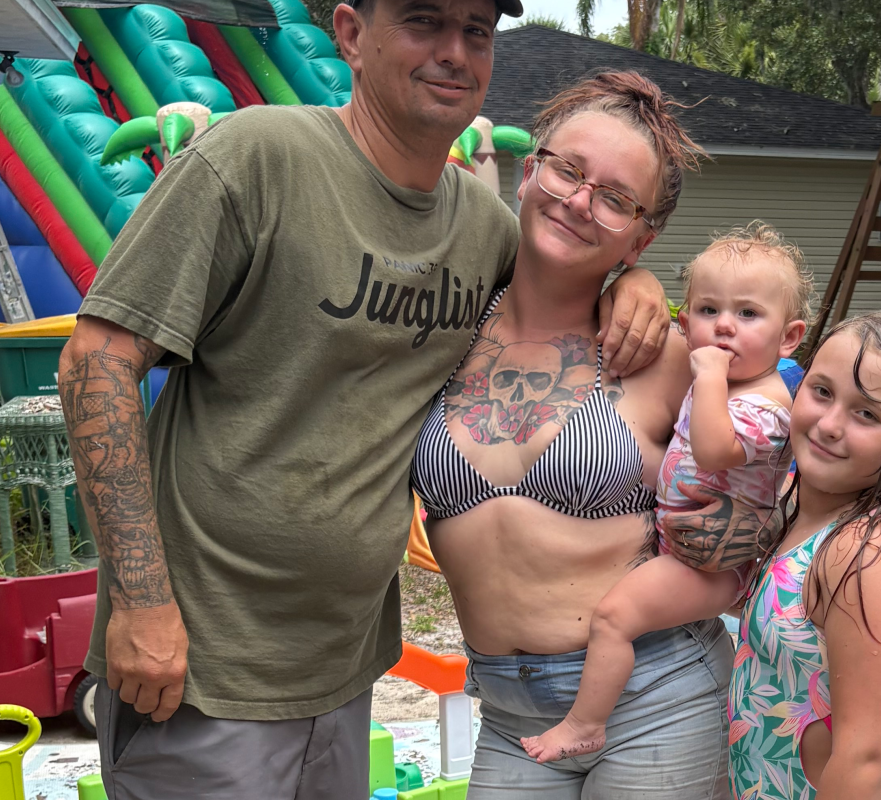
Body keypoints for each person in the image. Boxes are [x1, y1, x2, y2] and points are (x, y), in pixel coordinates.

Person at [55, 0, 673, 796]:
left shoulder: (483, 230)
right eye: (422, 21)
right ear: (350, 34)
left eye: (475, 31)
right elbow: (97, 362)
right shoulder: (256, 159)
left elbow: (566, 275)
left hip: (346, 677)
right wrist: (140, 605)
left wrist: (634, 282)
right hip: (202, 671)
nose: (453, 51)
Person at [412, 72, 777, 798]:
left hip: (659, 695)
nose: (579, 201)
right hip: (509, 716)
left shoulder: (667, 355)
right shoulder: (441, 328)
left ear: (643, 236)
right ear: (529, 172)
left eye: (614, 198)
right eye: (568, 171)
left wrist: (750, 527)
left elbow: (780, 445)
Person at [520, 222, 810, 764]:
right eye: (708, 310)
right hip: (687, 551)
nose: (724, 326)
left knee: (614, 618)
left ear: (788, 337)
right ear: (684, 321)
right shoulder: (730, 384)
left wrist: (710, 376)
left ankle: (585, 724)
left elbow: (714, 451)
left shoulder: (765, 404)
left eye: (749, 314)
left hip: (710, 567)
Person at [729, 311, 881, 800]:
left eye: (867, 414)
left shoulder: (865, 554)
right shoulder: (799, 518)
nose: (829, 425)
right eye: (822, 392)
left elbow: (867, 757)